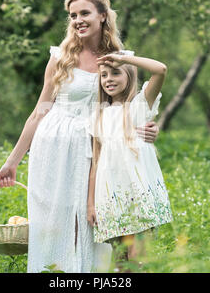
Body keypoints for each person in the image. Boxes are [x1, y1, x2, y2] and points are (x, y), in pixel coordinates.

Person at [0, 0, 160, 273]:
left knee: (90, 219)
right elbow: (39, 111)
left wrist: (147, 130)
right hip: (53, 146)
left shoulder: (121, 59)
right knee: (54, 223)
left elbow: (130, 106)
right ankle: (54, 272)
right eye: (72, 15)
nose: (78, 20)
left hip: (96, 147)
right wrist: (12, 161)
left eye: (85, 13)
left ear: (103, 16)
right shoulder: (61, 57)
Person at [86, 52, 174, 272]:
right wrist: (91, 203)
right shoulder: (99, 116)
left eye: (115, 73)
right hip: (112, 195)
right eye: (104, 75)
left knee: (138, 258)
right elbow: (95, 162)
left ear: (129, 75)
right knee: (120, 260)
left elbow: (160, 69)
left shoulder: (139, 107)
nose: (108, 79)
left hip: (138, 192)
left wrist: (126, 60)